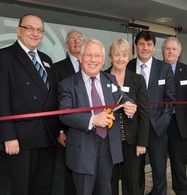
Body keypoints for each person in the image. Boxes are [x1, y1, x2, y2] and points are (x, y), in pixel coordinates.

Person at [0, 14, 61, 195]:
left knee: (44, 187)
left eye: (39, 30)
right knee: (22, 188)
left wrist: (59, 130)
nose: (35, 33)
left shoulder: (47, 60)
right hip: (21, 139)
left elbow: (53, 99)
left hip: (48, 137)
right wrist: (8, 136)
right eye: (30, 28)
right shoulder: (3, 57)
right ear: (19, 30)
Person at [58, 39, 137, 195]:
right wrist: (93, 120)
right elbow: (64, 114)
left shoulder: (110, 80)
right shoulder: (67, 84)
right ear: (81, 57)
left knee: (105, 191)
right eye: (89, 55)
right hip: (83, 151)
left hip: (107, 148)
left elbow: (122, 97)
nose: (93, 60)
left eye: (97, 56)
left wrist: (130, 104)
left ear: (103, 60)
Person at [127, 30, 175, 195]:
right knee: (136, 171)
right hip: (134, 129)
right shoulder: (128, 66)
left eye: (149, 44)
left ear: (154, 47)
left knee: (159, 171)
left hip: (157, 129)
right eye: (141, 44)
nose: (145, 48)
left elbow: (171, 101)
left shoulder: (164, 68)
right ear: (136, 46)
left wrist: (162, 122)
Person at [105, 39, 149, 195]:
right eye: (117, 54)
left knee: (131, 181)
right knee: (109, 182)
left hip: (131, 141)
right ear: (111, 56)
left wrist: (142, 142)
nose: (120, 59)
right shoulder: (102, 78)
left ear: (129, 57)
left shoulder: (137, 80)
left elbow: (144, 113)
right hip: (107, 140)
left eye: (124, 55)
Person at [162, 37, 187, 194]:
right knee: (158, 162)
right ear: (163, 51)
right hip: (159, 123)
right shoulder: (156, 69)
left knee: (179, 162)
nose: (170, 51)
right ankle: (159, 190)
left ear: (179, 52)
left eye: (174, 49)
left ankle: (182, 190)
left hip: (181, 124)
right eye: (167, 48)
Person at [54, 29, 85, 195]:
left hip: (91, 128)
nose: (76, 42)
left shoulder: (93, 66)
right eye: (72, 39)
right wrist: (59, 130)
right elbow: (54, 101)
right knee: (69, 171)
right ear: (67, 45)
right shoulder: (57, 68)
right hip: (67, 129)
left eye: (79, 39)